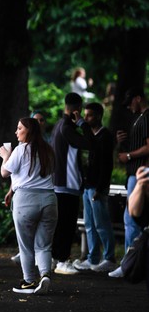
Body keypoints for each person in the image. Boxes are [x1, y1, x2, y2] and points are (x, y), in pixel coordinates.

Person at [0, 117, 57, 295]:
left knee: (26, 245)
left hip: (25, 200)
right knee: (44, 244)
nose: (17, 132)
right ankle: (45, 274)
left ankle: (29, 281)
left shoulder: (21, 149)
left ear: (29, 131)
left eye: (19, 129)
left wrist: (5, 156)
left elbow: (4, 172)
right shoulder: (48, 150)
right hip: (49, 199)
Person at [50, 92, 93, 275]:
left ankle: (54, 259)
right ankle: (62, 260)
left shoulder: (58, 125)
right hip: (68, 184)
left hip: (58, 182)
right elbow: (91, 144)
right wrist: (83, 124)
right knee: (66, 225)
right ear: (78, 109)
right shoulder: (68, 128)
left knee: (59, 224)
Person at [73, 102, 117, 273]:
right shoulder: (91, 136)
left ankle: (110, 258)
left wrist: (100, 188)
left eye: (89, 115)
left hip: (97, 187)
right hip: (87, 186)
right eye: (86, 114)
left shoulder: (105, 136)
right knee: (90, 224)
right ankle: (93, 258)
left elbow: (107, 165)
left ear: (98, 116)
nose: (86, 118)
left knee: (101, 223)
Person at [111, 87, 149, 278]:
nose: (128, 107)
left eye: (130, 103)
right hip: (134, 172)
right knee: (133, 219)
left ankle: (130, 263)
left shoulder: (147, 116)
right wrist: (122, 144)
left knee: (132, 219)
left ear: (138, 98)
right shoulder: (137, 118)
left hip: (140, 173)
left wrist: (128, 155)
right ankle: (132, 262)